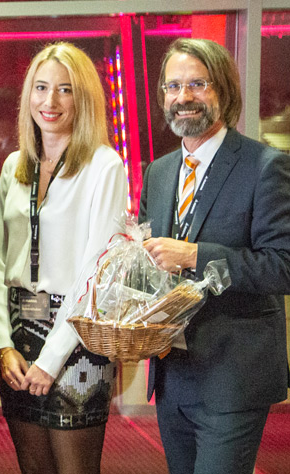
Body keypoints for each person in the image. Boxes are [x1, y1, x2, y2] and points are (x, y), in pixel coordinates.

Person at [140, 38, 290, 474]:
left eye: (197, 84)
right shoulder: (159, 171)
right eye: (172, 87)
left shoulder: (265, 167)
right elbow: (152, 266)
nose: (182, 97)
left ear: (223, 89)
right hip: (173, 373)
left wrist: (194, 255)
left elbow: (283, 266)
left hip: (233, 377)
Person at [0, 42, 128, 474]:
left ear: (82, 98)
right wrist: (2, 344)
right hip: (18, 337)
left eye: (65, 90)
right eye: (41, 87)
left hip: (76, 341)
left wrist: (50, 361)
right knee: (33, 468)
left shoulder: (104, 166)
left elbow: (95, 273)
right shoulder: (15, 165)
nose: (50, 102)